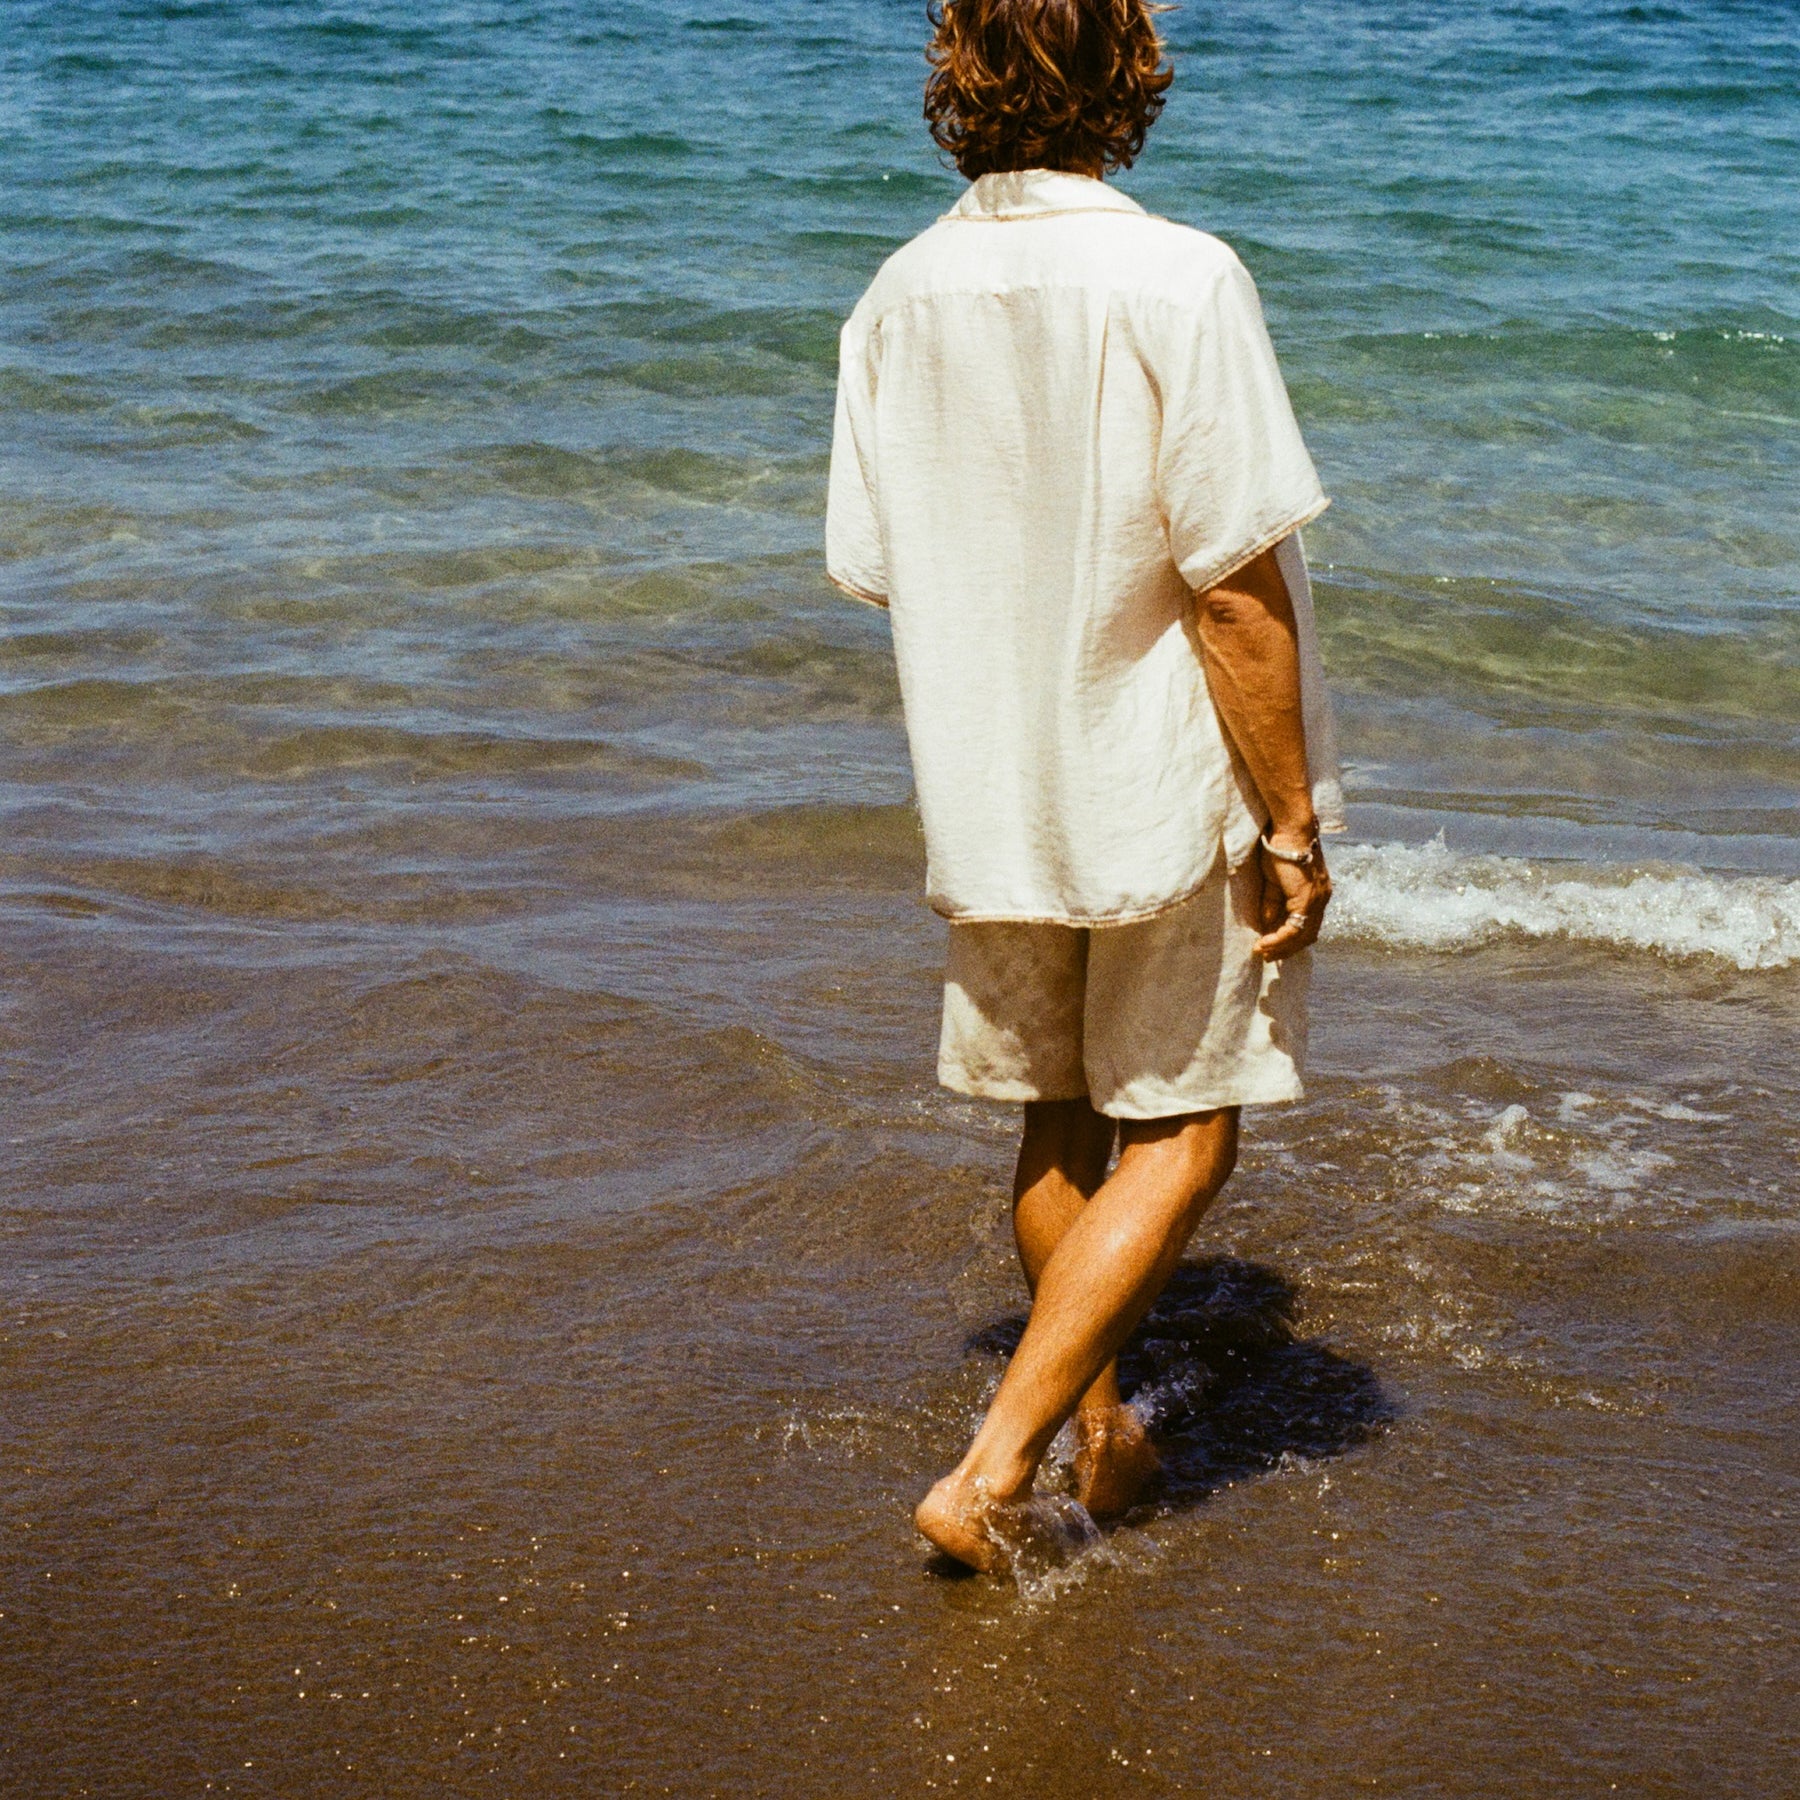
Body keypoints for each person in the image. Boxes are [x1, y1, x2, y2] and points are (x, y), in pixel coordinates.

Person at [826, 0, 1341, 1573]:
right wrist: (1292, 818)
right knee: (1186, 1132)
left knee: (1057, 1119)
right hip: (1158, 776)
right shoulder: (1181, 273)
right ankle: (989, 1470)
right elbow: (1236, 588)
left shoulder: (896, 296)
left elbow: (875, 566)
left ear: (956, 82)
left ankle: (1104, 1435)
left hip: (991, 781)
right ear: (1130, 79)